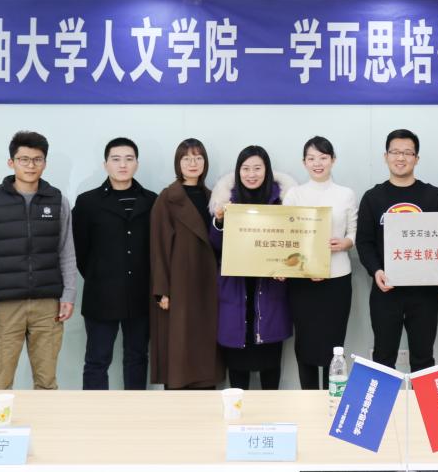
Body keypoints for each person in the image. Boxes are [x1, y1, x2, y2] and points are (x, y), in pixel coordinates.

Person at [0, 131, 77, 390]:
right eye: (24, 159)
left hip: (47, 305)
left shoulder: (57, 200)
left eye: (37, 159)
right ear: (11, 162)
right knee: (0, 381)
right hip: (4, 306)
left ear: (45, 163)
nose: (31, 165)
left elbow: (66, 251)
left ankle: (45, 419)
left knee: (46, 382)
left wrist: (69, 294)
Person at [356, 129, 438, 373]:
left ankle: (420, 399)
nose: (401, 157)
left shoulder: (433, 196)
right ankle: (386, 400)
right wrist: (376, 270)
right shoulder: (373, 197)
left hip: (424, 291)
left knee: (423, 357)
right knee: (383, 358)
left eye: (408, 152)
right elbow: (364, 242)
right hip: (386, 289)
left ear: (417, 158)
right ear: (386, 156)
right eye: (395, 152)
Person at [73, 137, 158, 390]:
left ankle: (135, 411)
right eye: (116, 159)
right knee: (97, 360)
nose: (123, 165)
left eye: (129, 159)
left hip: (141, 294)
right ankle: (95, 413)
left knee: (137, 357)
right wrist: (99, 275)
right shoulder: (87, 202)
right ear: (105, 164)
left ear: (137, 164)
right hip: (101, 295)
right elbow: (79, 251)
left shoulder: (152, 201)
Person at [209, 146, 292, 389]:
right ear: (238, 172)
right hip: (236, 289)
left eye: (257, 168)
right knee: (237, 367)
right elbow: (216, 245)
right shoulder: (226, 200)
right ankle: (237, 412)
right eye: (245, 169)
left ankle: (271, 411)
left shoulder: (283, 201)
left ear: (267, 170)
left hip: (270, 289)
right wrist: (219, 221)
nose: (251, 174)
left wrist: (286, 269)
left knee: (270, 363)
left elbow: (292, 245)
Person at [281, 136, 357, 389]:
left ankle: (332, 397)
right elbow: (287, 236)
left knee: (334, 344)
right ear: (304, 162)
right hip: (303, 281)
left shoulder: (346, 194)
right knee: (305, 343)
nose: (317, 163)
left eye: (323, 157)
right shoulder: (295, 194)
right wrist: (307, 268)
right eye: (311, 158)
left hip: (337, 277)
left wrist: (346, 243)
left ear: (333, 160)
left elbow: (353, 232)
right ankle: (309, 398)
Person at [149, 138, 223, 389]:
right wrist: (162, 290)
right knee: (180, 345)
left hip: (210, 282)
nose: (193, 163)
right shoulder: (167, 198)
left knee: (205, 343)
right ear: (178, 163)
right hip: (179, 283)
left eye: (198, 158)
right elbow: (158, 247)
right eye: (187, 158)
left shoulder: (214, 198)